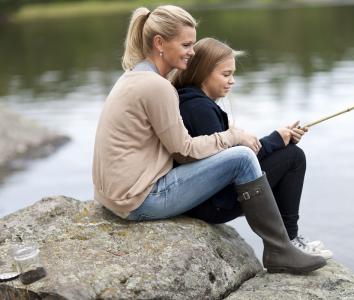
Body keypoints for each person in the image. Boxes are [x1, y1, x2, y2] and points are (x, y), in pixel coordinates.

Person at [92, 5, 326, 274]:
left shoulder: (132, 77)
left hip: (114, 198)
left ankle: (284, 245)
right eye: (186, 44)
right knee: (242, 157)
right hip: (141, 200)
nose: (193, 51)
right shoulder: (156, 86)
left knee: (242, 153)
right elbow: (185, 152)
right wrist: (232, 136)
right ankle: (280, 250)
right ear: (159, 43)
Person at [172, 38, 332, 259]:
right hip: (212, 203)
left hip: (203, 197)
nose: (232, 81)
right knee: (293, 158)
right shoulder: (199, 108)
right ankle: (289, 242)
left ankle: (286, 239)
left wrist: (279, 140)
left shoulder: (192, 101)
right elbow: (229, 163)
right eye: (226, 74)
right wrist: (276, 140)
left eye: (232, 74)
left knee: (286, 153)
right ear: (202, 72)